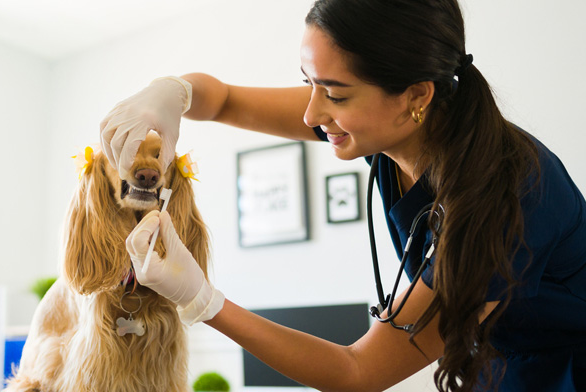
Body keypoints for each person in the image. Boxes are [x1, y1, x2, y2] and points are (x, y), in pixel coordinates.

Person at [100, 0, 586, 390]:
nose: (311, 112)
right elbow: (223, 98)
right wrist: (171, 93)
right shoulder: (388, 128)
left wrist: (203, 301)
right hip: (491, 357)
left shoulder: (508, 196)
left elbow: (359, 372)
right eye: (308, 82)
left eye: (333, 93)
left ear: (417, 96)